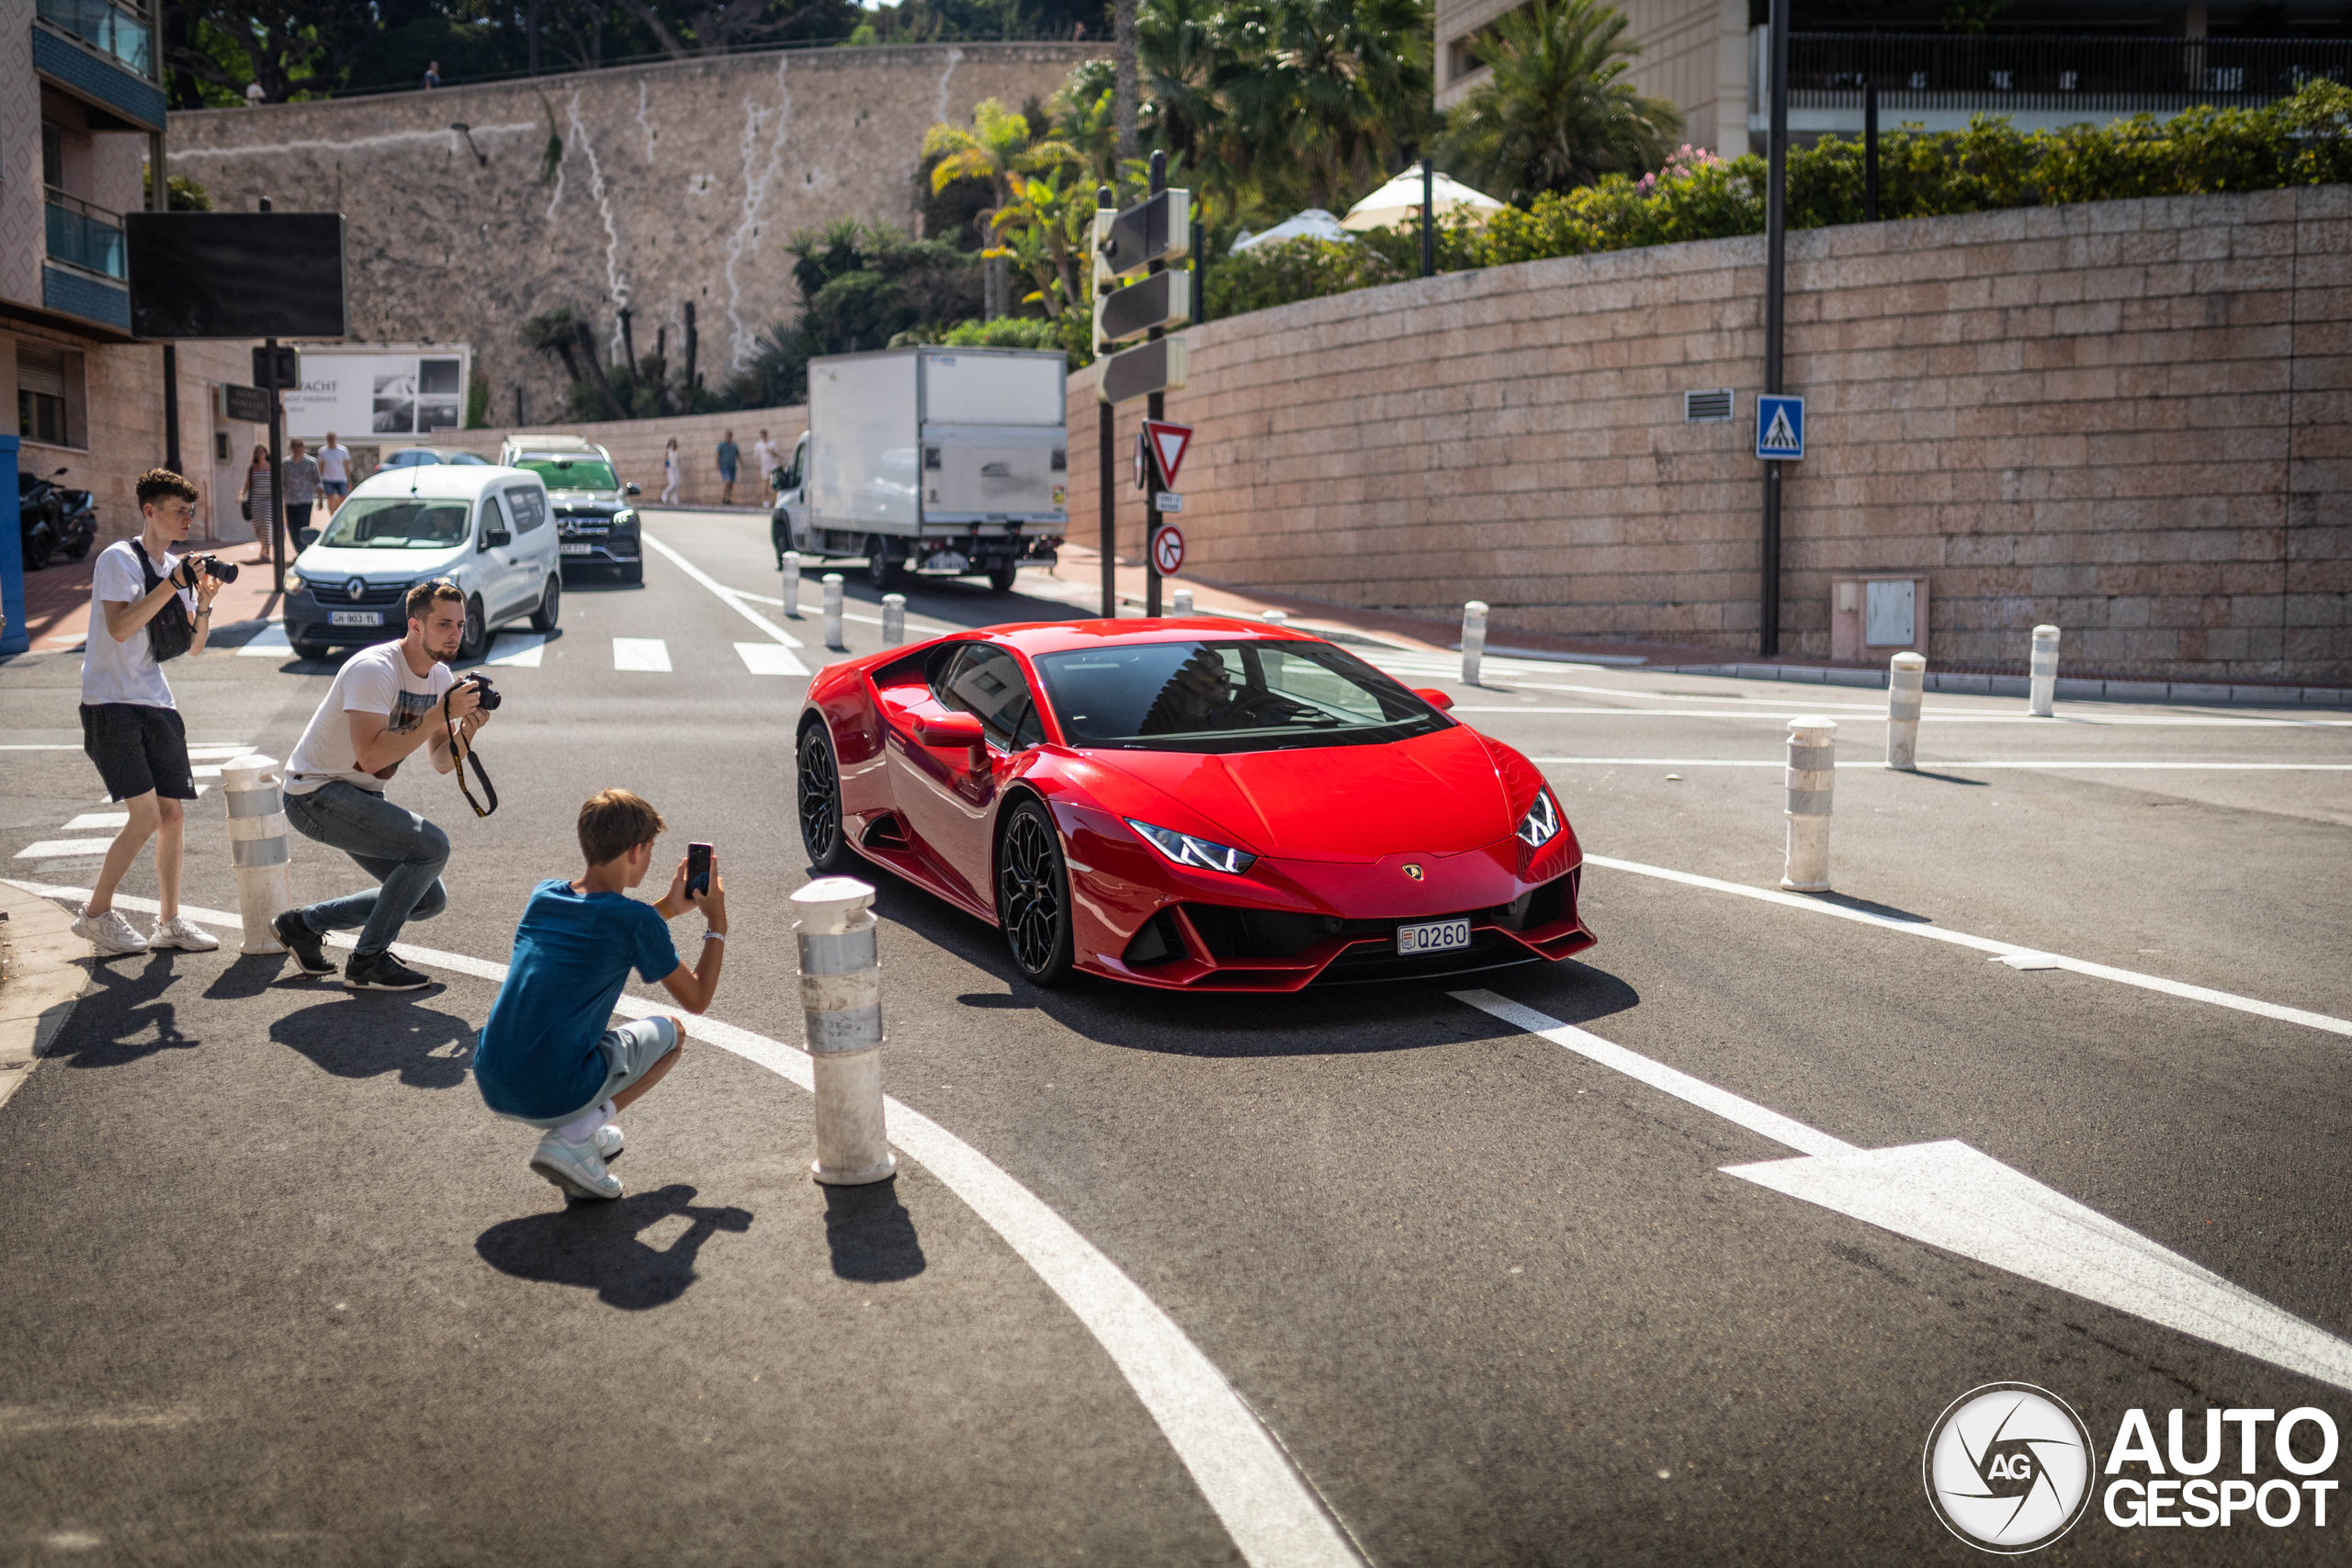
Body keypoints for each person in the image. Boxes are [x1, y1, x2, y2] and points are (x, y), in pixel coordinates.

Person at [472, 789, 727, 1201]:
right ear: (636, 850)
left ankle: (583, 1127)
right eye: (650, 850)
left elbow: (605, 927)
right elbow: (696, 998)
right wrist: (717, 921)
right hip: (552, 1092)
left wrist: (664, 910)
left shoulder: (544, 896)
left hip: (491, 1077)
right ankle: (575, 1134)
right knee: (673, 1035)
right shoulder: (635, 922)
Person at [273, 580, 490, 991]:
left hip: (360, 795)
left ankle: (301, 925)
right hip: (314, 793)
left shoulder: (440, 676)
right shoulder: (375, 669)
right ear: (415, 625)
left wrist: (467, 731)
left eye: (460, 624)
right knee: (433, 848)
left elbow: (443, 762)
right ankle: (367, 961)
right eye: (444, 624)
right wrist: (437, 714)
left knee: (428, 898)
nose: (455, 634)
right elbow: (371, 757)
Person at [72, 470, 226, 958]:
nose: (188, 519)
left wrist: (201, 603)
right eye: (179, 510)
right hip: (110, 702)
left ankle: (169, 921)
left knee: (172, 814)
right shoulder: (120, 559)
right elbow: (119, 627)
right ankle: (95, 915)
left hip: (155, 701)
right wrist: (171, 582)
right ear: (150, 511)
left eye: (191, 511)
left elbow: (193, 647)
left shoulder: (173, 570)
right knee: (145, 817)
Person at [236, 443, 272, 562]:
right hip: (256, 500)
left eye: (262, 451)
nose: (260, 454)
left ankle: (267, 550)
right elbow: (247, 484)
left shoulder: (271, 467)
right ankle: (263, 545)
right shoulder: (252, 468)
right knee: (257, 527)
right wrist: (241, 494)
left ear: (266, 453)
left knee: (266, 524)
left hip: (268, 500)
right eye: (258, 452)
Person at [282, 438, 322, 547]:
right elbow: (282, 481)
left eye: (299, 445)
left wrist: (321, 499)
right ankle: (298, 548)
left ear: (303, 447)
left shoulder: (311, 462)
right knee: (292, 527)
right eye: (294, 446)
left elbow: (317, 481)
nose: (297, 448)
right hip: (291, 500)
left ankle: (302, 548)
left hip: (305, 500)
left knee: (303, 526)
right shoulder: (286, 463)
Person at [316, 432, 351, 513]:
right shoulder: (322, 451)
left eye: (332, 437)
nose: (331, 439)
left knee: (343, 498)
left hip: (341, 478)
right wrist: (319, 481)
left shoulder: (343, 451)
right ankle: (332, 516)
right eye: (329, 438)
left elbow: (347, 466)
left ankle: (342, 515)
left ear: (335, 438)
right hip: (328, 478)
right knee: (330, 498)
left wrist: (349, 480)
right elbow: (321, 467)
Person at [751, 429, 779, 501]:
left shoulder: (772, 443)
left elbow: (777, 455)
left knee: (775, 482)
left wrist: (771, 451)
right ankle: (765, 500)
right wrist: (757, 464)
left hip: (773, 465)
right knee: (765, 483)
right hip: (764, 466)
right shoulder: (758, 445)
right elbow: (756, 456)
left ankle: (776, 499)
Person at [715, 429, 740, 506]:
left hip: (732, 466)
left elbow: (737, 455)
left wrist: (741, 463)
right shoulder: (721, 445)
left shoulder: (734, 445)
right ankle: (724, 497)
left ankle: (728, 499)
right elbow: (717, 454)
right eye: (727, 435)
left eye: (730, 435)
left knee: (731, 483)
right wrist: (717, 463)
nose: (728, 437)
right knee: (727, 481)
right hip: (724, 466)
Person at [661, 436, 681, 504]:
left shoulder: (675, 451)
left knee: (677, 484)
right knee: (673, 484)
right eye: (671, 443)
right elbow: (664, 459)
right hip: (670, 468)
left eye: (673, 443)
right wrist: (664, 467)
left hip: (676, 468)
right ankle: (664, 495)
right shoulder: (668, 450)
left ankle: (674, 498)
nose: (672, 445)